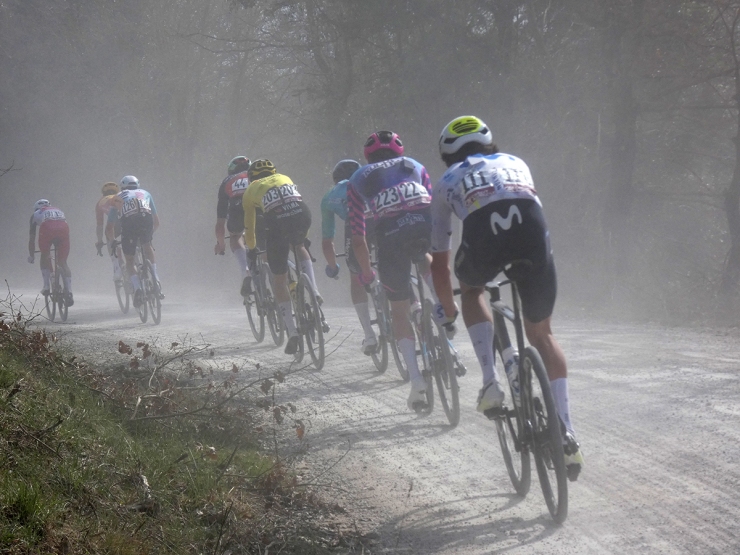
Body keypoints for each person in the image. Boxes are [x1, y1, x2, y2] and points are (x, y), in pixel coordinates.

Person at [430, 115, 583, 479]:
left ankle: (491, 381)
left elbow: (440, 262)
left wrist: (449, 311)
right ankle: (567, 433)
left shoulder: (447, 181)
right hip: (533, 237)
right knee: (542, 334)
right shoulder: (517, 162)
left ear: (446, 154)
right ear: (488, 142)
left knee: (472, 290)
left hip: (484, 239)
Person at [349, 131, 436, 409]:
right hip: (422, 224)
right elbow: (432, 205)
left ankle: (416, 381)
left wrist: (366, 273)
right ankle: (442, 305)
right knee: (424, 254)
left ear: (368, 156)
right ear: (399, 151)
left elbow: (359, 239)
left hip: (390, 235)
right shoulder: (415, 165)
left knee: (398, 309)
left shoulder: (358, 178)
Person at [242, 159, 321, 355]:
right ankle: (314, 291)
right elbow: (297, 203)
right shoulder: (285, 177)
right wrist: (303, 238)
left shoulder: (250, 190)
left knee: (279, 281)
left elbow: (250, 227)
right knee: (299, 246)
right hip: (302, 215)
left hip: (277, 222)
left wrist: (251, 249)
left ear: (251, 178)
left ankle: (292, 331)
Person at [321, 159, 379, 355]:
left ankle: (369, 335)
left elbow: (327, 242)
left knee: (356, 278)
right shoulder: (371, 180)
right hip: (381, 217)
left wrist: (333, 267)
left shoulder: (329, 196)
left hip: (355, 224)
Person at [106, 175, 162, 308]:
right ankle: (156, 279)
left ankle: (137, 289)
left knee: (130, 261)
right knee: (147, 246)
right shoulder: (146, 193)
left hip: (129, 223)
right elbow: (157, 222)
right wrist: (149, 236)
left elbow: (109, 227)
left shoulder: (117, 197)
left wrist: (112, 241)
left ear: (122, 187)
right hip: (145, 219)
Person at [215, 156, 254, 297]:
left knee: (235, 236)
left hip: (237, 208)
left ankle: (245, 270)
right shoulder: (257, 176)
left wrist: (221, 244)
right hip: (257, 205)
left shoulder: (227, 181)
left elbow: (220, 222)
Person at [28, 199, 74, 305]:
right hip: (63, 228)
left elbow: (32, 238)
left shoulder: (35, 214)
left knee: (45, 255)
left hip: (47, 229)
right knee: (63, 262)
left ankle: (46, 286)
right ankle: (69, 291)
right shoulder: (58, 210)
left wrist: (31, 255)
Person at [96, 181, 124, 283]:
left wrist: (99, 241)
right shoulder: (120, 196)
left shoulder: (100, 202)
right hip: (126, 219)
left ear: (103, 193)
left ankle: (117, 266)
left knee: (109, 236)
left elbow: (100, 225)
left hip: (114, 223)